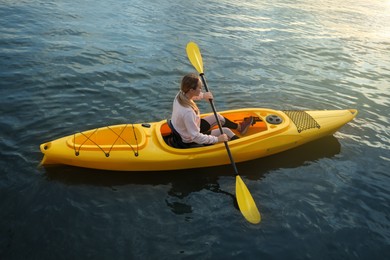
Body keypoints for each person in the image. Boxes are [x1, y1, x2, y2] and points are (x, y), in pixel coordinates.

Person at [170, 73, 253, 148]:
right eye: (200, 88)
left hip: (188, 129)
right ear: (192, 90)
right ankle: (243, 147)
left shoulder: (180, 94)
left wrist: (203, 96)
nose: (201, 89)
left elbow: (191, 95)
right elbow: (195, 137)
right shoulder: (188, 112)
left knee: (218, 117)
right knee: (226, 131)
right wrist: (217, 139)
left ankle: (239, 128)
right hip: (189, 139)